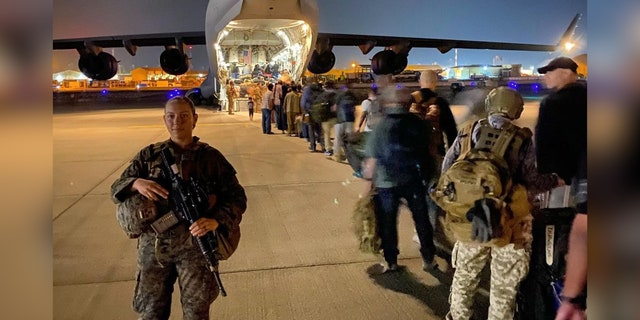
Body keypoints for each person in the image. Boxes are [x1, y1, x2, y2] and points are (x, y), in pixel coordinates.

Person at [110, 96, 247, 320]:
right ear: (164, 119)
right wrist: (136, 183)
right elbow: (116, 188)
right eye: (171, 116)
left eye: (184, 116)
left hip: (195, 249)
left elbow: (237, 197)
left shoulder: (211, 158)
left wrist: (217, 220)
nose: (177, 122)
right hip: (154, 249)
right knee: (151, 312)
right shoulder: (149, 156)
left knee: (196, 312)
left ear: (194, 120)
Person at [441, 87, 562, 320]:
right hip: (509, 225)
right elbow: (532, 182)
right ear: (516, 110)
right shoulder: (522, 139)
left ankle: (458, 316)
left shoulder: (466, 133)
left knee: (464, 278)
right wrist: (556, 180)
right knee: (503, 288)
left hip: (471, 220)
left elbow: (447, 171)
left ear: (490, 104)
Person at [361, 85, 438, 273]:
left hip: (386, 183)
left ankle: (391, 261)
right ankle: (428, 259)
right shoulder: (418, 123)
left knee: (388, 222)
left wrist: (366, 188)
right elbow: (430, 152)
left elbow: (371, 160)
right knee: (421, 220)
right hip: (414, 180)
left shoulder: (380, 126)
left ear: (387, 103)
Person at [534, 57, 587, 319]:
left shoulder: (553, 104)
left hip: (570, 182)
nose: (546, 77)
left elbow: (544, 148)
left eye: (549, 72)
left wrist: (549, 179)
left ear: (566, 73)